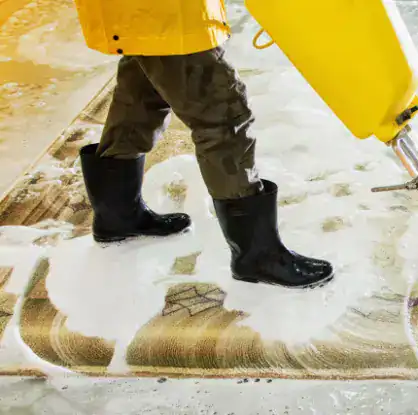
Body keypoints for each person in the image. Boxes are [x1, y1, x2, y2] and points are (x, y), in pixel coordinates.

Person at [71, 0, 334, 288]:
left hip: (145, 12)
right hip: (163, 11)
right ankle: (258, 256)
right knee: (222, 113)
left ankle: (117, 215)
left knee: (144, 91)